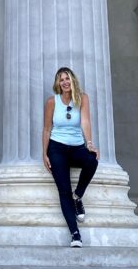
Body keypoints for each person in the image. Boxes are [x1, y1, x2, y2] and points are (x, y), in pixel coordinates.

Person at [42, 65, 99, 247]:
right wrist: (44, 153)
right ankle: (75, 234)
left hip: (76, 147)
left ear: (72, 80)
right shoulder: (52, 102)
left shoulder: (82, 98)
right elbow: (46, 128)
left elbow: (85, 121)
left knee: (92, 160)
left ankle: (78, 197)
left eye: (67, 78)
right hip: (56, 148)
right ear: (58, 83)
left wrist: (89, 143)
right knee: (63, 190)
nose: (65, 82)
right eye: (61, 79)